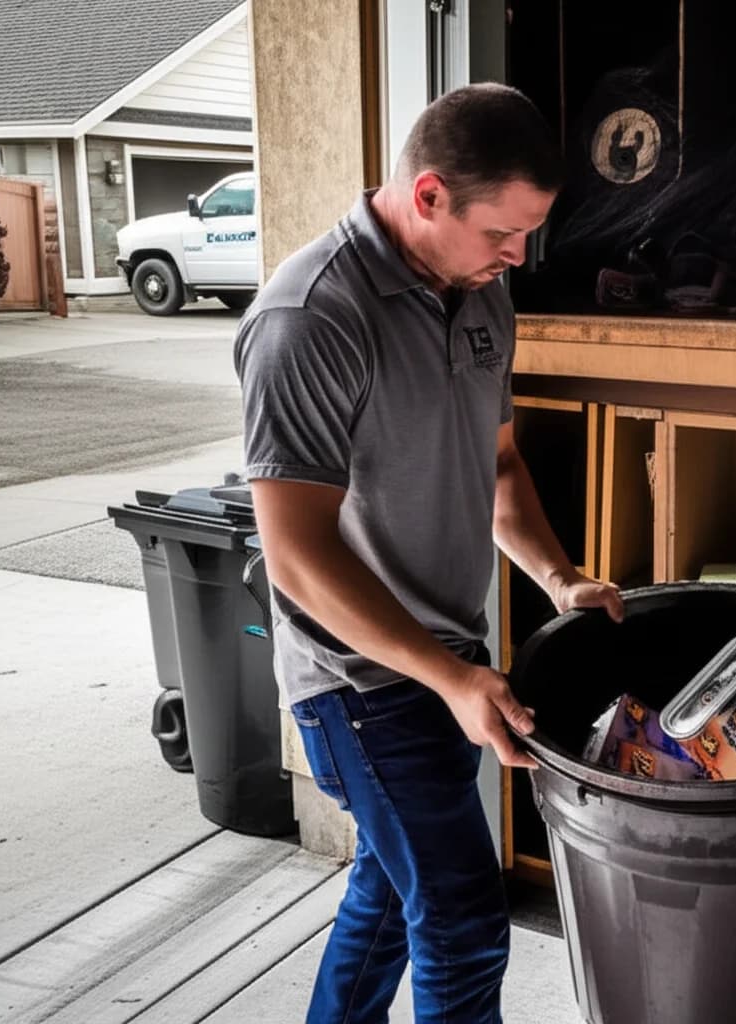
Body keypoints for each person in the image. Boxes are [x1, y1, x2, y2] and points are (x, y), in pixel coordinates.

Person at [234, 82, 624, 1024]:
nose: (517, 255)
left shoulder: (484, 296)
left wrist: (559, 578)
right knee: (461, 920)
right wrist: (450, 679)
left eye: (527, 233)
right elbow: (295, 556)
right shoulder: (310, 319)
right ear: (429, 194)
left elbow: (499, 466)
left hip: (449, 660)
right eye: (502, 232)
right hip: (358, 682)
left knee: (386, 891)